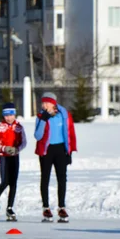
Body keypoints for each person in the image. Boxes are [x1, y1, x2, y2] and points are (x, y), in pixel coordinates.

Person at [34, 92, 77, 222]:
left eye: (47, 102)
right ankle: (46, 208)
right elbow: (37, 136)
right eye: (43, 102)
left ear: (53, 103)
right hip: (46, 151)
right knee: (45, 178)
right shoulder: (41, 116)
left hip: (60, 150)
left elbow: (70, 134)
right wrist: (43, 120)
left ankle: (61, 207)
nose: (44, 105)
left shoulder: (64, 115)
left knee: (62, 179)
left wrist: (69, 152)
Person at [0, 103, 26, 221]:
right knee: (5, 181)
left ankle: (9, 208)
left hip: (14, 156)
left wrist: (17, 149)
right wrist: (4, 148)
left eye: (10, 115)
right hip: (4, 157)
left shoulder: (19, 127)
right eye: (6, 115)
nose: (8, 118)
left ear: (14, 114)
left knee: (13, 183)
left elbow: (24, 142)